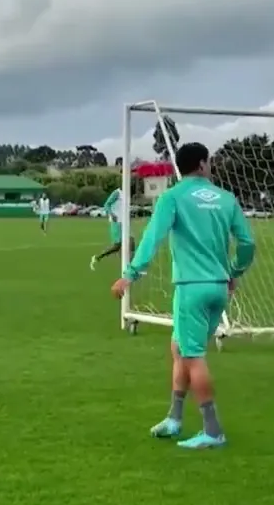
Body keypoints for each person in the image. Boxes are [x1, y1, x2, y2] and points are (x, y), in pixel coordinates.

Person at [111, 142, 255, 450]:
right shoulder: (226, 199)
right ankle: (174, 419)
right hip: (218, 287)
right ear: (202, 164)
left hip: (191, 287)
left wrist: (130, 274)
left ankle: (213, 431)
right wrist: (235, 272)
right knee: (180, 347)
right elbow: (247, 243)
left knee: (192, 356)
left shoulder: (172, 197)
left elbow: (153, 237)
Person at [91, 187, 136, 270]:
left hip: (125, 222)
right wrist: (112, 214)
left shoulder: (127, 194)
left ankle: (132, 267)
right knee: (117, 246)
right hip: (117, 222)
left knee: (132, 242)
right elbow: (106, 205)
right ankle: (97, 257)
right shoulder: (117, 193)